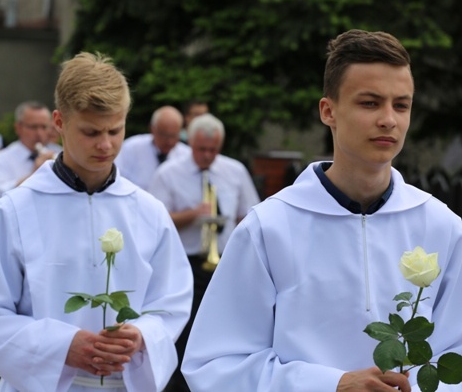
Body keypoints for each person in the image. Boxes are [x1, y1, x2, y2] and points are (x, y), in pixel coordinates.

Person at [181, 29, 462, 391]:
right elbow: (215, 364)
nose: (389, 119)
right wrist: (331, 385)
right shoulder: (269, 228)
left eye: (401, 105)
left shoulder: (443, 226)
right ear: (328, 111)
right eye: (370, 103)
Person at [0, 52, 193, 392]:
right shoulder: (17, 208)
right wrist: (62, 346)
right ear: (59, 122)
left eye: (115, 129)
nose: (106, 144)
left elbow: (172, 300)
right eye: (91, 132)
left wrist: (142, 334)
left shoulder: (148, 211)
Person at [148, 112, 260, 392]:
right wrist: (193, 215)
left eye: (213, 150)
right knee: (186, 331)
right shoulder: (169, 172)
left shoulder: (234, 170)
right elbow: (154, 220)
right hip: (187, 262)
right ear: (190, 142)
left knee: (223, 330)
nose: (207, 155)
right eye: (201, 149)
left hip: (224, 263)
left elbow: (251, 213)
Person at [0, 101, 58, 205]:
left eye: (44, 127)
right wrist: (34, 175)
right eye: (33, 127)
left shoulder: (59, 153)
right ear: (18, 128)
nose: (39, 133)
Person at [115, 105, 190, 190]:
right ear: (152, 129)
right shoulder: (131, 148)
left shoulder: (187, 155)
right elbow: (117, 180)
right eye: (164, 135)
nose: (169, 141)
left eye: (174, 136)